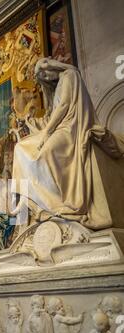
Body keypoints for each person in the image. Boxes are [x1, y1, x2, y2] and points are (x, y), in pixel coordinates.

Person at [12, 58, 124, 229]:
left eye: (44, 73)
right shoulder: (55, 88)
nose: (46, 78)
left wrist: (47, 134)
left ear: (51, 66)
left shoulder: (70, 75)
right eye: (42, 77)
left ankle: (61, 202)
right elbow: (51, 117)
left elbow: (64, 106)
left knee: (47, 152)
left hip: (71, 128)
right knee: (20, 148)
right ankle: (27, 198)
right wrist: (33, 123)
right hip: (56, 129)